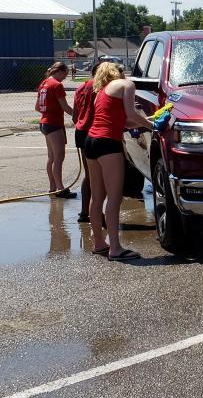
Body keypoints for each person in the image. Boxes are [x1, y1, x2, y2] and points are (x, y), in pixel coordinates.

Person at [85, 62, 153, 261]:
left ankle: (99, 243)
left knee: (96, 198)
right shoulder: (126, 84)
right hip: (108, 144)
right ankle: (115, 248)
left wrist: (147, 122)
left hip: (91, 141)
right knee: (115, 198)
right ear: (119, 72)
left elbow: (122, 121)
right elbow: (131, 115)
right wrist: (153, 125)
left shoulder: (102, 92)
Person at [35, 62, 76, 199]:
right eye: (65, 73)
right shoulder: (57, 85)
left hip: (44, 123)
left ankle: (52, 187)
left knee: (51, 158)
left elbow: (37, 107)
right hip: (54, 124)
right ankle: (60, 189)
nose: (66, 77)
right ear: (60, 71)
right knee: (59, 158)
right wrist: (80, 116)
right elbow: (66, 107)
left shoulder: (44, 83)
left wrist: (49, 111)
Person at [72, 62, 100, 222]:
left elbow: (75, 116)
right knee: (101, 175)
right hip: (96, 132)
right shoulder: (102, 88)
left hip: (81, 132)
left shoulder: (80, 88)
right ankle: (98, 213)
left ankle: (84, 212)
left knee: (89, 174)